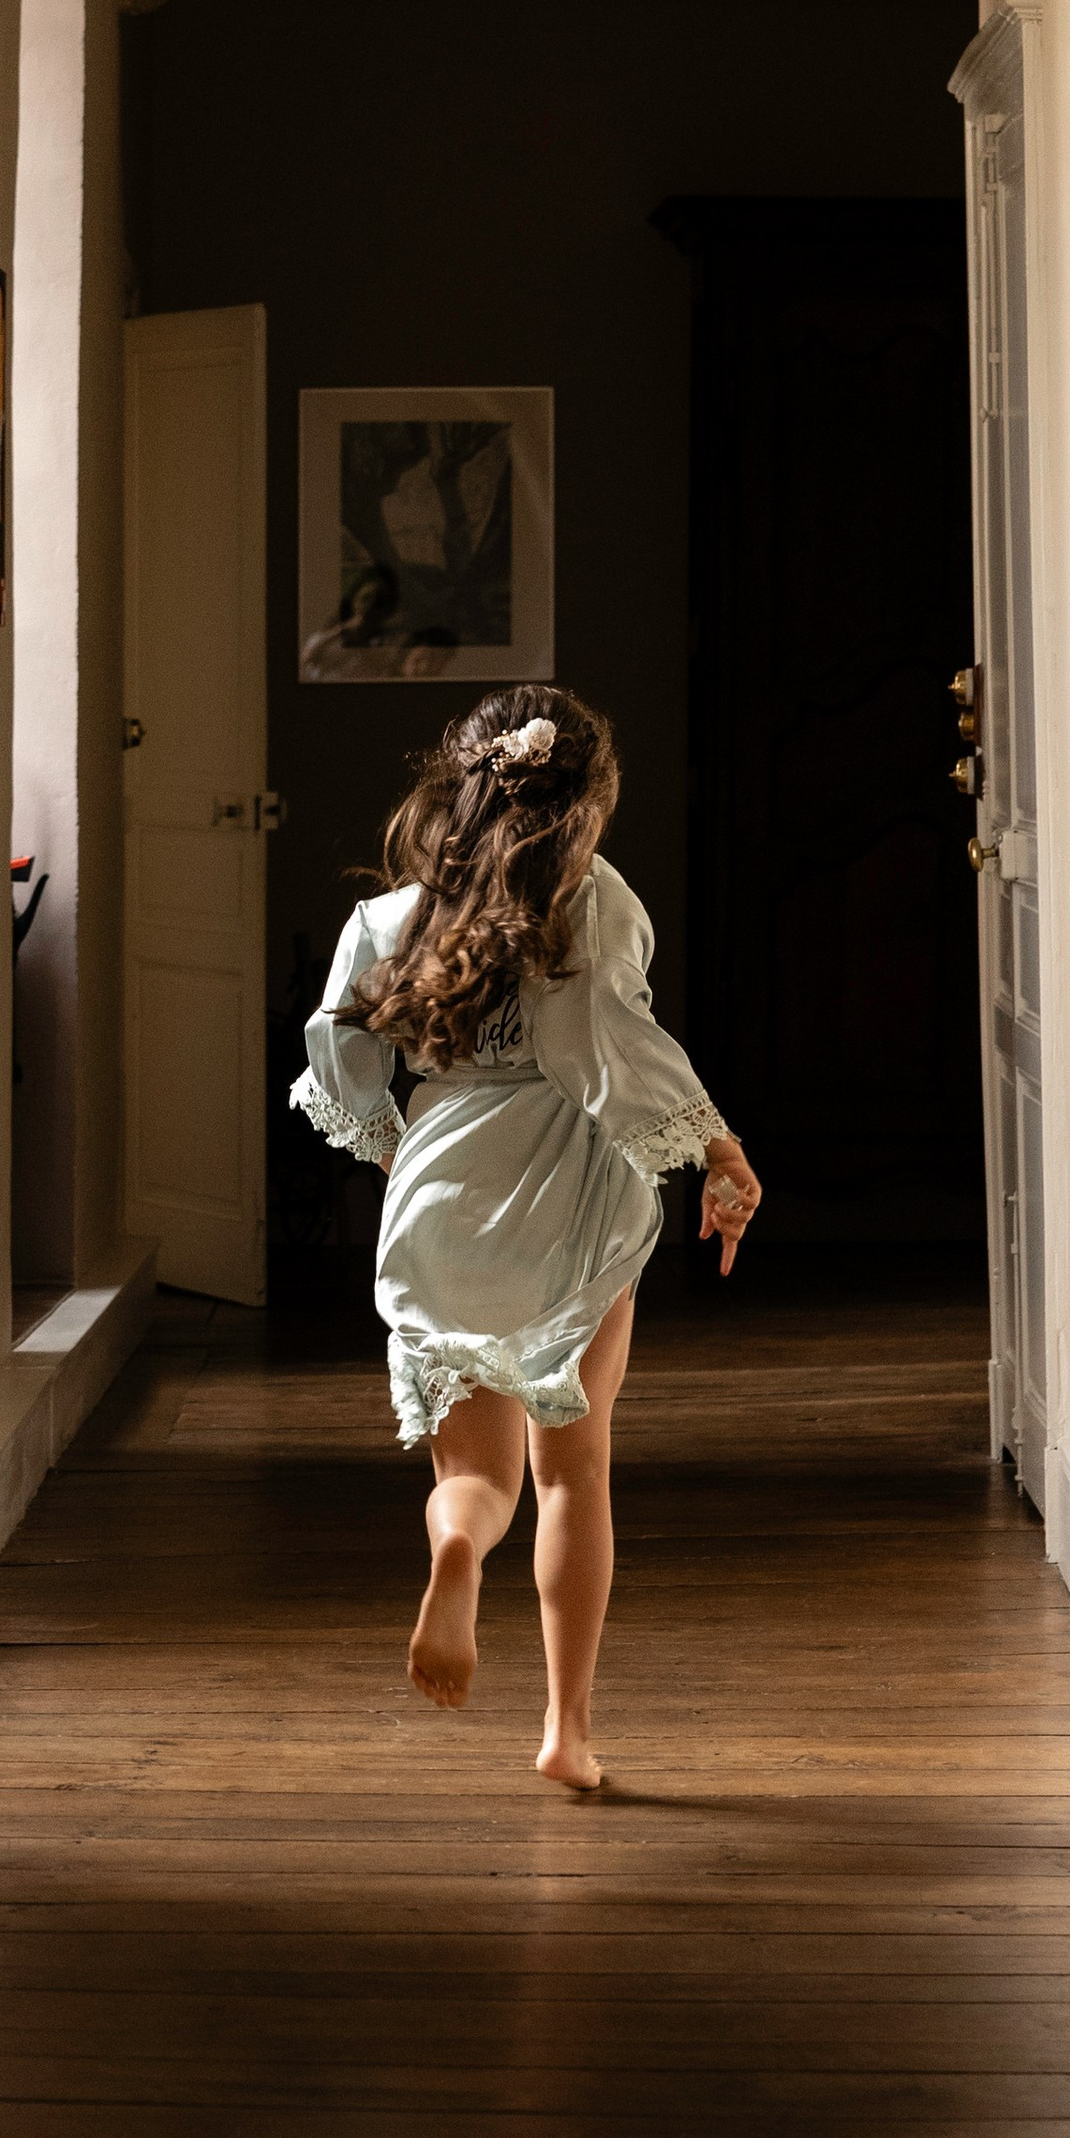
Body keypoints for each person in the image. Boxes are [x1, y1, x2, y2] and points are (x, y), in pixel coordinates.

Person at [291, 683, 760, 1791]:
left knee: (478, 1475)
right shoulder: (591, 904)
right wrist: (718, 1150)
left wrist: (400, 1146)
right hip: (568, 1187)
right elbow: (609, 1047)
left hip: (442, 1180)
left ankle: (456, 1548)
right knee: (574, 1469)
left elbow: (340, 1053)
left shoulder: (392, 918)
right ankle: (566, 1732)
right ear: (589, 801)